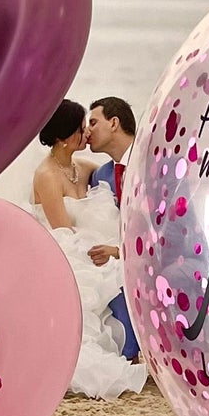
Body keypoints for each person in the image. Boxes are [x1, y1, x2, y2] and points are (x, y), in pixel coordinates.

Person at [30, 99, 146, 399]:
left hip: (96, 247)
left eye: (89, 125)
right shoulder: (46, 175)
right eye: (82, 128)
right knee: (100, 290)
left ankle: (132, 344)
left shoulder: (84, 168)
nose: (86, 134)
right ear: (63, 136)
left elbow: (120, 176)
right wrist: (103, 253)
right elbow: (62, 231)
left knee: (119, 277)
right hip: (67, 251)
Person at [84, 98, 141, 363]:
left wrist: (120, 253)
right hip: (119, 259)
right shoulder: (101, 176)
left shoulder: (152, 164)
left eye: (93, 122)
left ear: (114, 123)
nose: (87, 132)